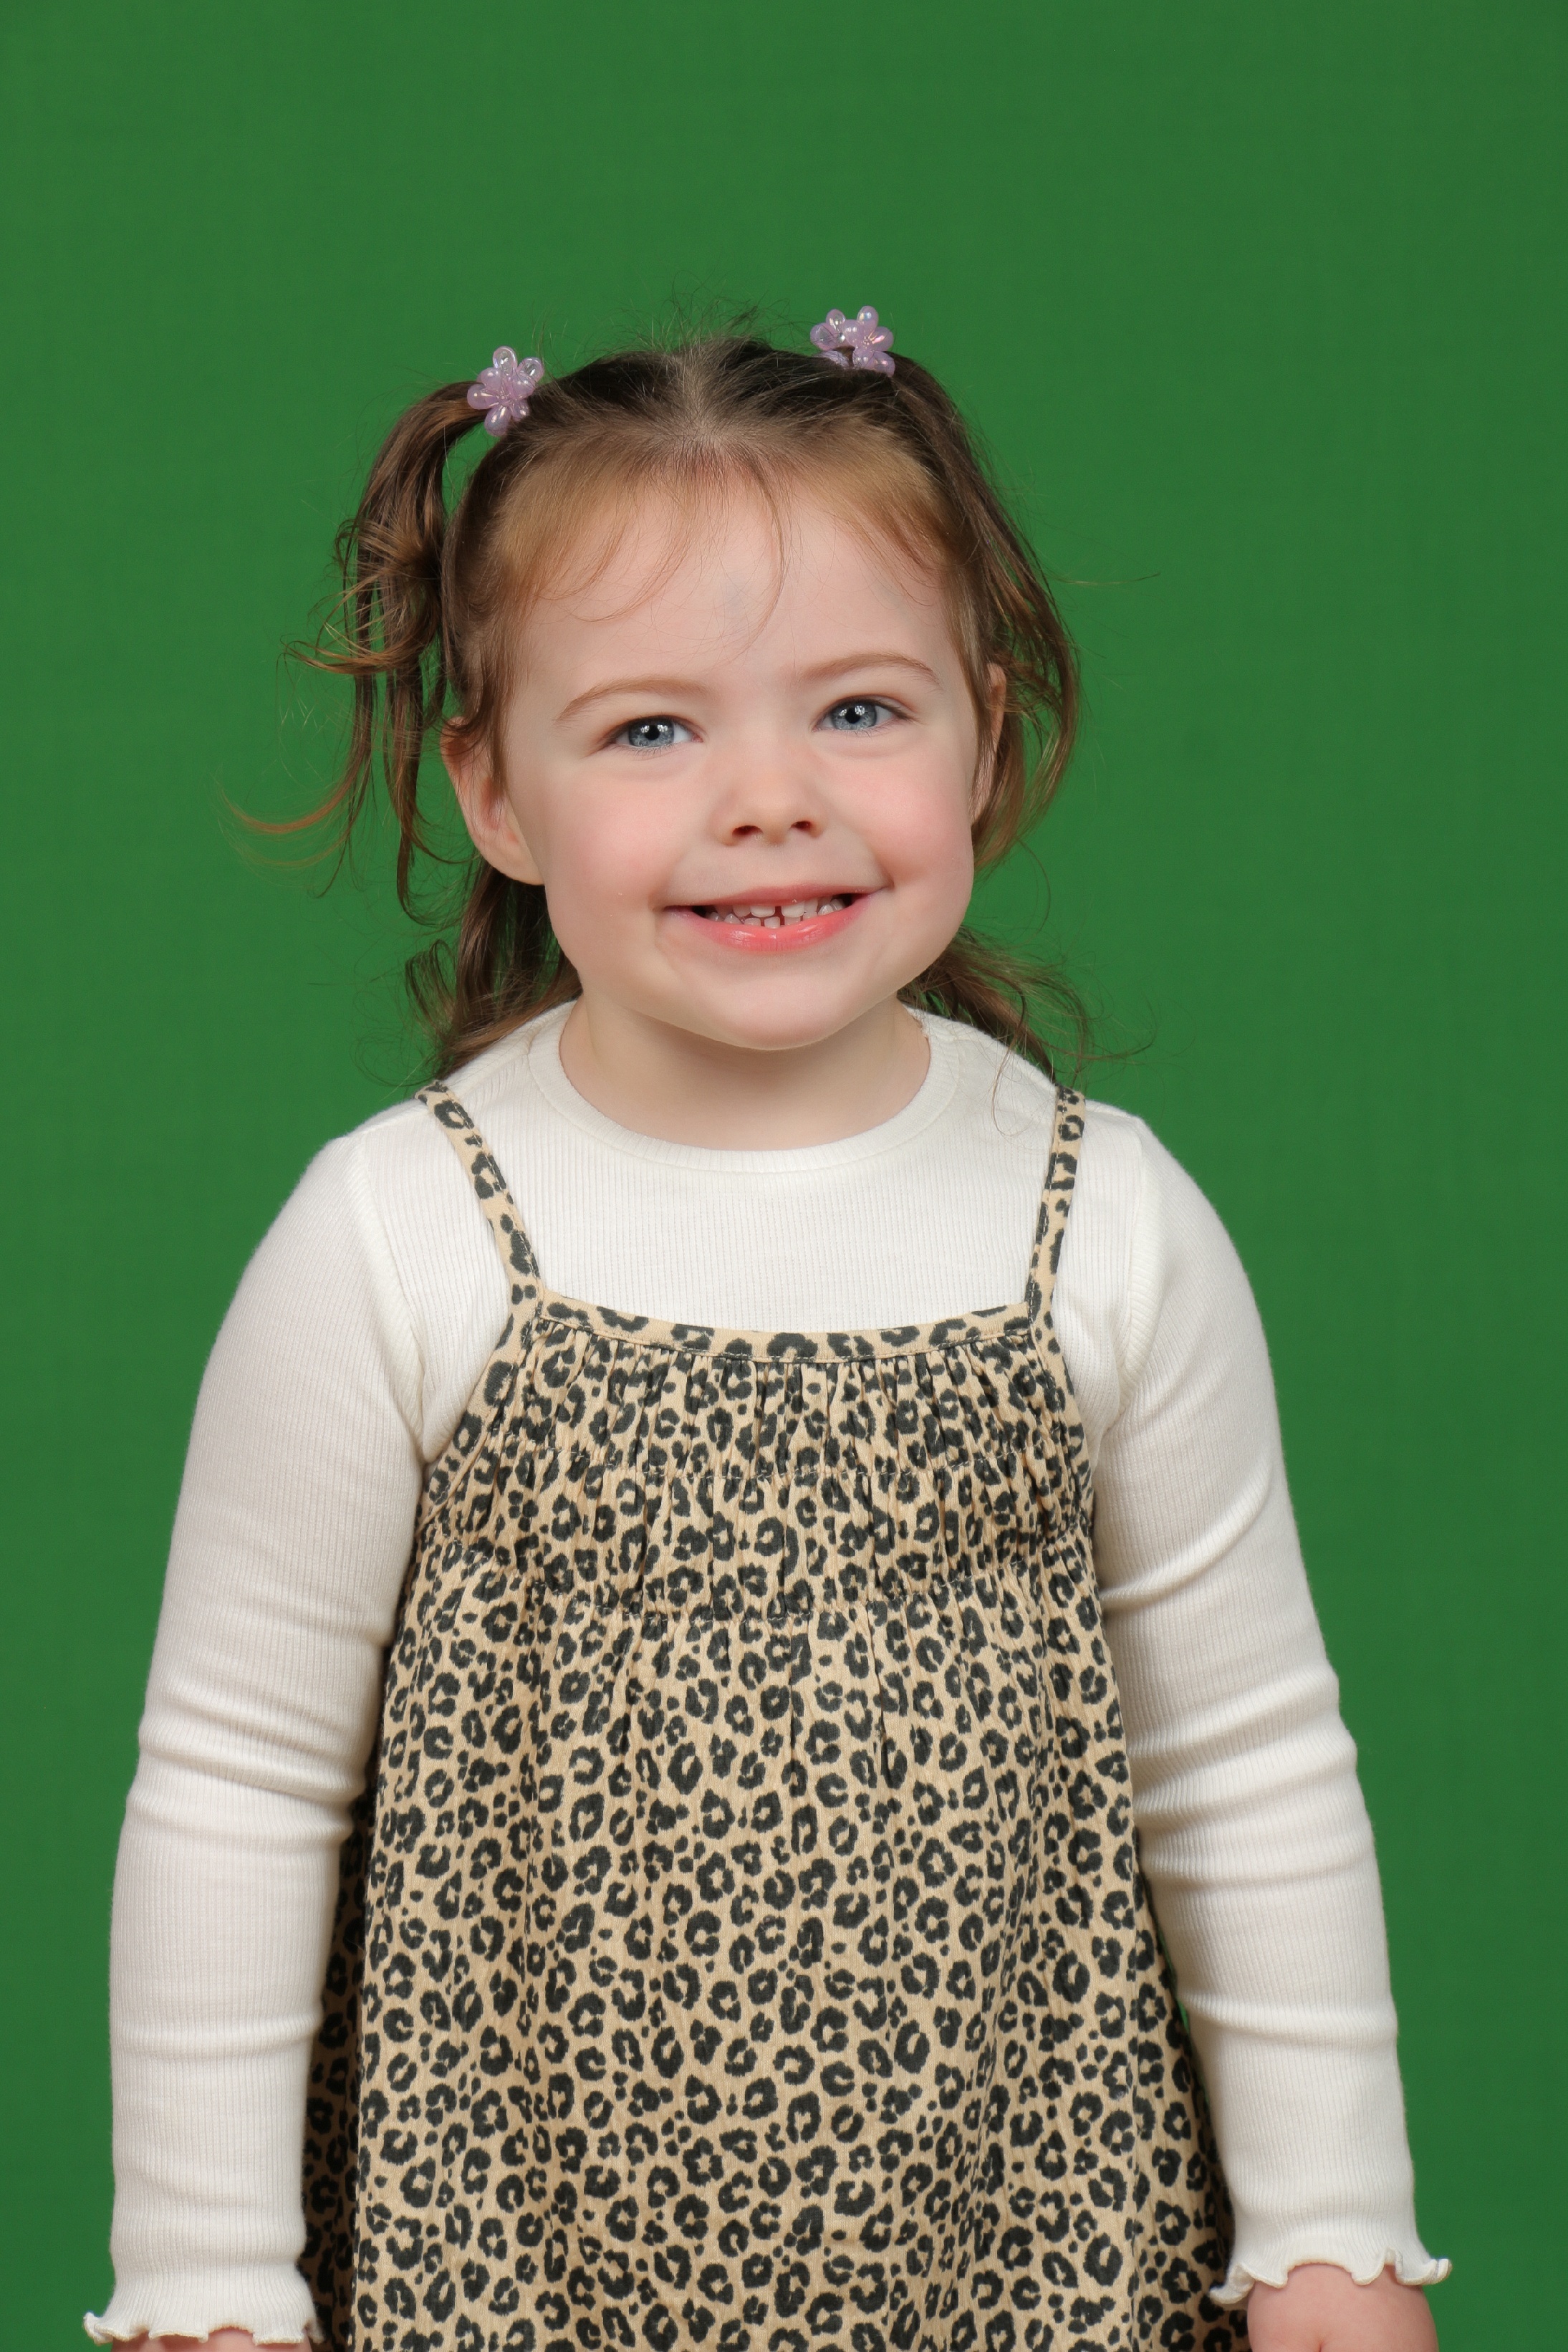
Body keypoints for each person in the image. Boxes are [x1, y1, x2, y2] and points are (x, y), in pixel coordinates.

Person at [89, 311, 1447, 2352]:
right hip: (508, 2254)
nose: (769, 801)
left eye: (861, 709)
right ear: (496, 790)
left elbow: (1244, 1761)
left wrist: (1333, 2232)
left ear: (984, 737)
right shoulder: (403, 1235)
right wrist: (206, 2284)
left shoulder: (1101, 1223)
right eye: (651, 730)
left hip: (1031, 2249)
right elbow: (240, 1776)